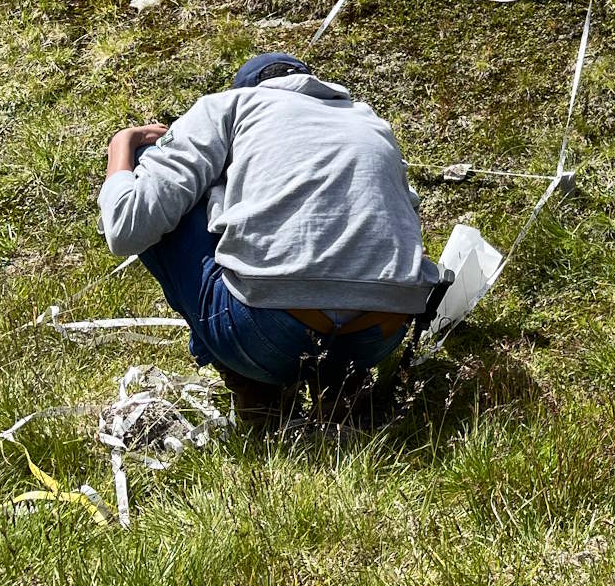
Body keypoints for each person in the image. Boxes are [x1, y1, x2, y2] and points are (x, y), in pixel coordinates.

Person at [99, 53, 444, 418]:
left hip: (266, 332)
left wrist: (123, 142)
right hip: (381, 329)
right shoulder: (370, 122)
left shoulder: (230, 106)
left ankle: (256, 393)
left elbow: (126, 226)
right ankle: (342, 386)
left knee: (152, 170)